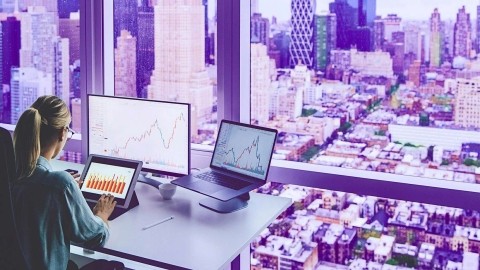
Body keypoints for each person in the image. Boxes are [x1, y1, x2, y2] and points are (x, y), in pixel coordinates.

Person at [12, 96, 120, 270]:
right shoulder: (61, 185)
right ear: (62, 133)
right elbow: (95, 238)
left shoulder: (10, 173)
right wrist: (101, 215)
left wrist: (65, 192)